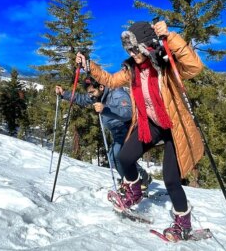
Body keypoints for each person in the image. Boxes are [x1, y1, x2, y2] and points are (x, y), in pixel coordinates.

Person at [75, 20, 205, 240]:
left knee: (171, 179)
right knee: (124, 156)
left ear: (148, 45)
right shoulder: (132, 69)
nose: (133, 53)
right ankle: (134, 193)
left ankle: (183, 223)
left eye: (136, 48)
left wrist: (170, 37)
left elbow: (194, 67)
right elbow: (111, 80)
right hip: (151, 124)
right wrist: (89, 65)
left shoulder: (165, 64)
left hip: (174, 127)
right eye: (129, 49)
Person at [55, 77, 152, 189]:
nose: (91, 95)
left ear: (101, 87)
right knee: (113, 157)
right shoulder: (97, 95)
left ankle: (133, 184)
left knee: (118, 156)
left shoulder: (117, 94)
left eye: (92, 92)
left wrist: (105, 109)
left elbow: (128, 113)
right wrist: (64, 94)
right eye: (89, 93)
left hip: (127, 128)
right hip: (116, 131)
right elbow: (81, 98)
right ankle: (135, 178)